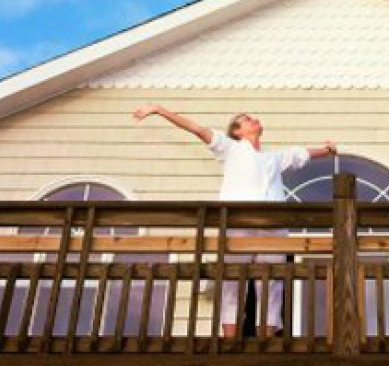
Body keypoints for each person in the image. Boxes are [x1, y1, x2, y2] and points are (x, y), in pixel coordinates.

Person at [132, 104, 338, 338]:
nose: (254, 119)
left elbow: (302, 153)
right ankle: (230, 342)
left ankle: (265, 344)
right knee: (232, 280)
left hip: (273, 226)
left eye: (253, 117)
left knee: (271, 283)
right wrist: (159, 110)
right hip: (238, 223)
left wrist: (327, 149)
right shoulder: (231, 148)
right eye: (247, 119)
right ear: (237, 131)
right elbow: (197, 129)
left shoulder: (273, 157)